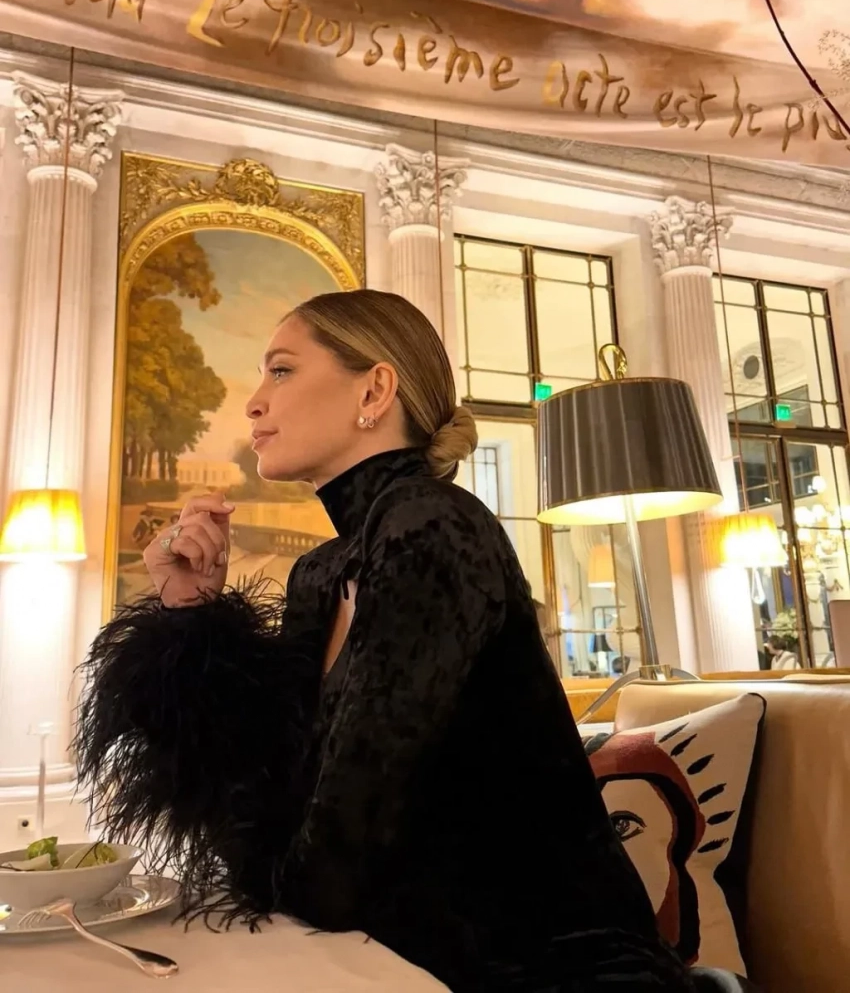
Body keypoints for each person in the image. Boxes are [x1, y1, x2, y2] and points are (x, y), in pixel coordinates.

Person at [77, 290, 748, 992]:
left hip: (553, 971)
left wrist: (272, 873)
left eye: (281, 370)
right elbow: (263, 807)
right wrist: (189, 613)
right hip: (396, 958)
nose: (253, 402)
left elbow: (333, 863)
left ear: (373, 391)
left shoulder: (435, 528)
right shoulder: (321, 572)